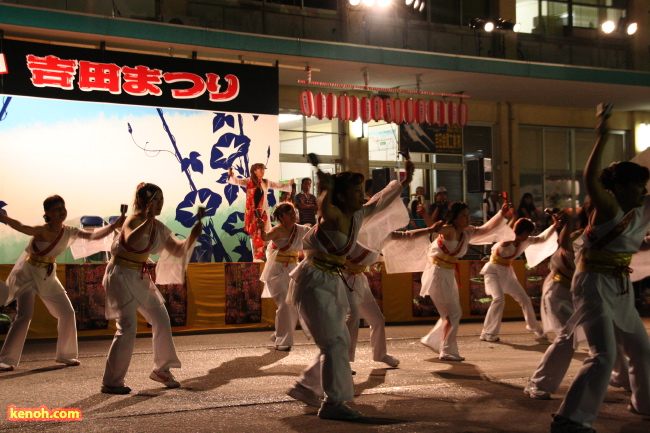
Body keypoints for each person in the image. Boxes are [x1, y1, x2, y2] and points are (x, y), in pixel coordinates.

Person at [285, 161, 414, 420]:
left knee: (338, 341)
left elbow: (381, 201)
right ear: (341, 196)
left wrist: (405, 180)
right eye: (356, 191)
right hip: (313, 281)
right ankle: (332, 402)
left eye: (362, 190)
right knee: (334, 342)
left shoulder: (357, 214)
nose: (363, 195)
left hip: (331, 280)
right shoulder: (333, 216)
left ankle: (309, 388)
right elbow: (324, 206)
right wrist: (326, 187)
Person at [549, 115, 650, 432]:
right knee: (604, 355)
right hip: (592, 284)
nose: (642, 191)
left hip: (621, 286)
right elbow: (590, 177)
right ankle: (570, 419)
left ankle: (644, 403)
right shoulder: (608, 207)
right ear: (618, 188)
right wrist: (602, 137)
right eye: (637, 186)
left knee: (642, 349)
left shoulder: (642, 206)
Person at [0, 195, 125, 371]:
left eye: (63, 207)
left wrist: (113, 226)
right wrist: (3, 217)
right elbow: (21, 226)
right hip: (27, 275)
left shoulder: (69, 231)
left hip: (47, 276)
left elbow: (93, 237)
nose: (62, 211)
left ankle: (66, 355)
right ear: (47, 213)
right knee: (24, 316)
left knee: (66, 312)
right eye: (57, 208)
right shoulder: (41, 230)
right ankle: (6, 359)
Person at [100, 183, 203, 394]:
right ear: (142, 201)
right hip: (119, 274)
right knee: (127, 327)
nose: (160, 204)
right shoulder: (133, 220)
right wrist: (147, 220)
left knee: (161, 319)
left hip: (139, 275)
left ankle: (161, 369)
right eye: (156, 199)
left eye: (161, 200)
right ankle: (112, 381)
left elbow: (177, 250)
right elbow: (129, 240)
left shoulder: (158, 226)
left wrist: (193, 235)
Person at [524, 204, 630, 401]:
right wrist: (567, 224)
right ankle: (538, 382)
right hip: (560, 294)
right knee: (567, 338)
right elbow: (566, 244)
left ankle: (622, 377)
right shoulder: (579, 235)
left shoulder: (611, 238)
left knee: (609, 335)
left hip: (589, 295)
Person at [418, 201, 514, 361]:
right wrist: (425, 215)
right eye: (463, 215)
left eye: (467, 214)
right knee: (454, 313)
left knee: (449, 315)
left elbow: (487, 229)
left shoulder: (467, 232)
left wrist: (501, 214)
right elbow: (436, 228)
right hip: (437, 274)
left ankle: (438, 344)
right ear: (455, 218)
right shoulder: (449, 230)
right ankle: (446, 350)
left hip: (447, 274)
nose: (467, 218)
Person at [342, 177, 414, 370]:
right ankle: (344, 362)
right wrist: (400, 184)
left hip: (359, 278)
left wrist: (431, 230)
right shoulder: (354, 224)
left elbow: (405, 236)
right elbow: (381, 200)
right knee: (352, 317)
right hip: (344, 277)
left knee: (377, 319)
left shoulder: (379, 234)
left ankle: (380, 354)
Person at [479, 215, 561, 343]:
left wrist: (554, 226)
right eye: (528, 233)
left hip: (507, 272)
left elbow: (542, 238)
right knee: (498, 299)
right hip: (493, 271)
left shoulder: (525, 240)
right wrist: (512, 217)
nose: (529, 236)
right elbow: (508, 233)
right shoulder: (507, 240)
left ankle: (536, 328)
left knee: (524, 299)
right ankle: (487, 333)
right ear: (522, 232)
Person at [258, 202, 311, 351]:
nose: (293, 215)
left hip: (293, 269)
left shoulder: (301, 229)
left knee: (293, 303)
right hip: (276, 271)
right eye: (289, 213)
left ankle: (279, 333)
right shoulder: (277, 230)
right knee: (284, 303)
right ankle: (282, 341)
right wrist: (262, 228)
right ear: (281, 217)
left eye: (294, 212)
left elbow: (315, 233)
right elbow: (265, 237)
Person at [228, 164, 294, 261]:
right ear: (255, 171)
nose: (263, 171)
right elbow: (237, 181)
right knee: (255, 235)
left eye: (263, 169)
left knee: (266, 234)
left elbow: (277, 185)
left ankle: (268, 256)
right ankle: (257, 258)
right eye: (260, 169)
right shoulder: (249, 181)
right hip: (253, 213)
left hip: (264, 212)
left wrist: (288, 184)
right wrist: (232, 176)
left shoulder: (265, 182)